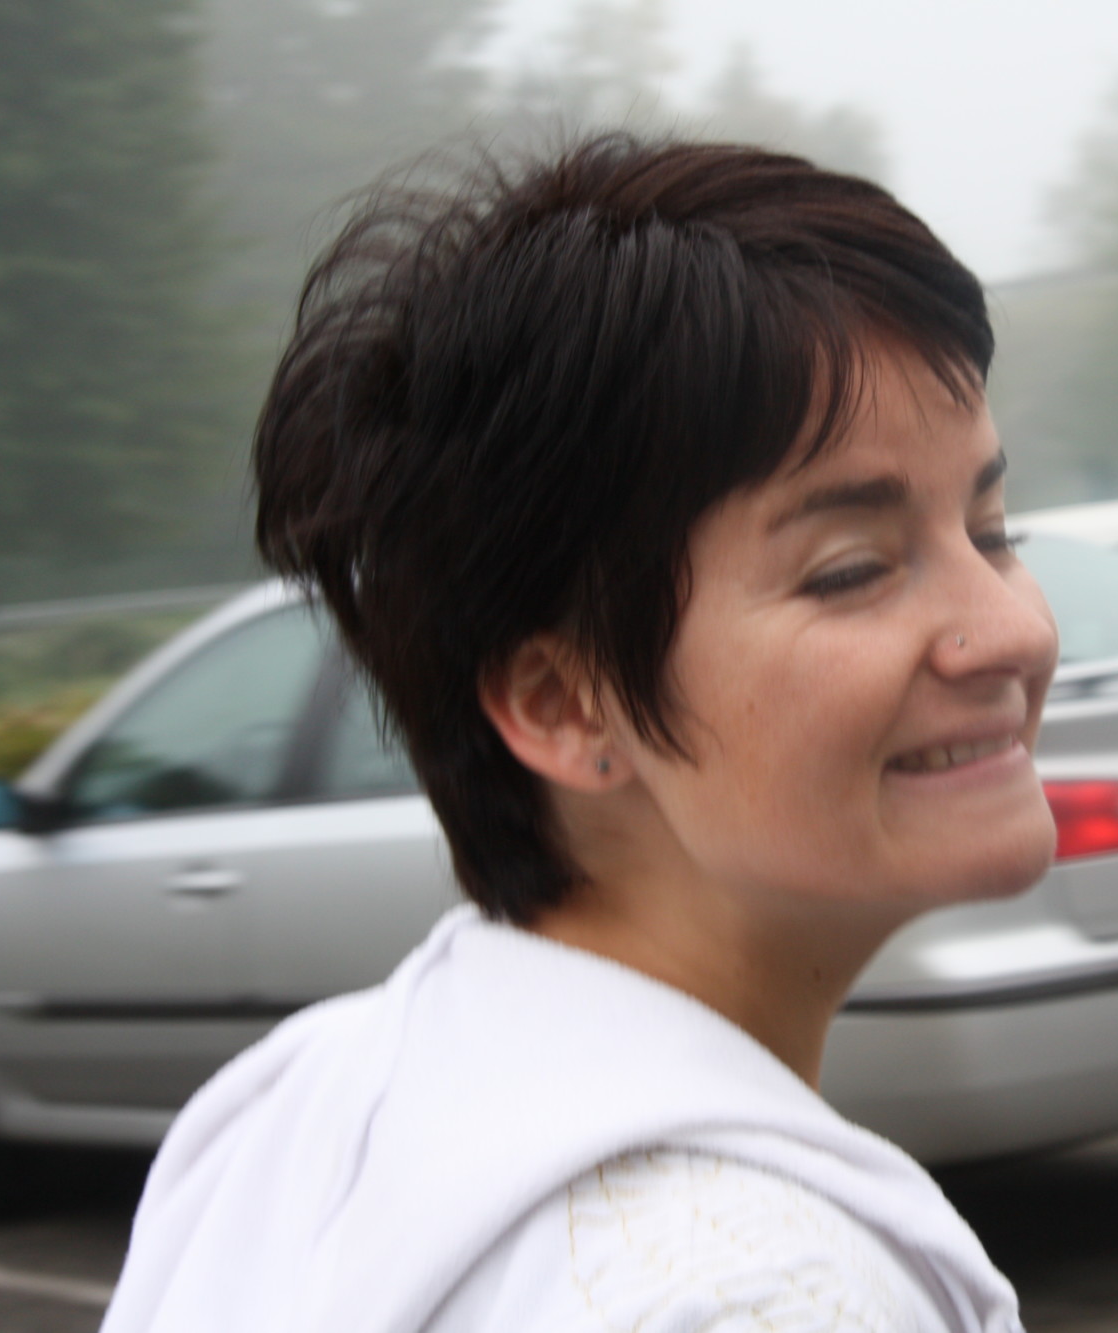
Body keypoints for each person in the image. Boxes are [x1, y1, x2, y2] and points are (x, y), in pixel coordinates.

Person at [99, 134, 1060, 1333]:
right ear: (562, 704)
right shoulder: (757, 1291)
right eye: (851, 569)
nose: (1009, 630)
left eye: (992, 530)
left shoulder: (301, 1118)